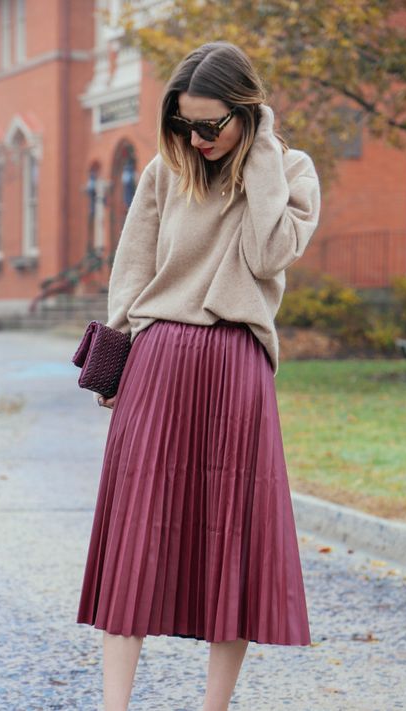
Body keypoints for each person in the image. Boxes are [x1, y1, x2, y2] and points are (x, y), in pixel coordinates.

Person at [76, 41, 321, 711]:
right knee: (135, 537)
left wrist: (263, 153)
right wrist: (117, 359)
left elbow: (265, 253)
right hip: (159, 362)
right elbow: (131, 269)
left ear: (250, 112)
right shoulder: (165, 170)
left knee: (231, 542)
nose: (198, 138)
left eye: (213, 125)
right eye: (186, 124)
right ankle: (113, 706)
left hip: (237, 365)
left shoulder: (290, 171)